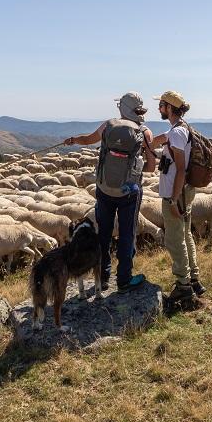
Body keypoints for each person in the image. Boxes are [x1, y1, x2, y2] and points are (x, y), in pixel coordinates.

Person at [64, 92, 156, 293]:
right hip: (129, 193)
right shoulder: (145, 132)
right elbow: (151, 167)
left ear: (122, 108)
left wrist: (72, 140)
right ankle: (124, 279)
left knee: (104, 234)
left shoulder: (108, 125)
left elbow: (88, 139)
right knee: (127, 234)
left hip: (104, 189)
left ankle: (103, 277)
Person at [151, 90, 205, 302]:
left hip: (177, 193)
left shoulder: (177, 133)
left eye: (162, 105)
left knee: (174, 239)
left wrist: (173, 199)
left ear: (170, 108)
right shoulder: (180, 129)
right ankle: (194, 279)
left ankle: (183, 286)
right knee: (185, 235)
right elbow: (162, 139)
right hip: (183, 192)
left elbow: (180, 169)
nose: (159, 108)